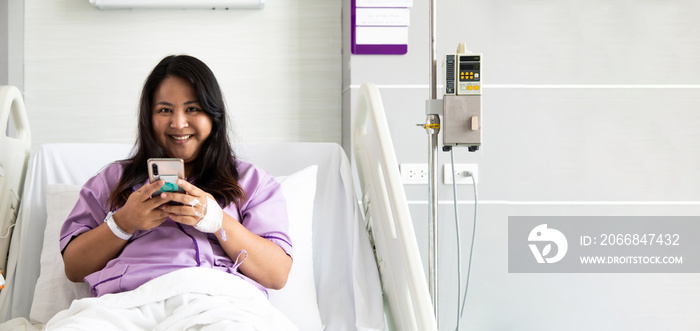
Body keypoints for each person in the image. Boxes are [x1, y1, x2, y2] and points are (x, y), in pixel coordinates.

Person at [59, 55, 293, 298]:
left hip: (217, 302)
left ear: (214, 115)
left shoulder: (251, 182)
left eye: (192, 109)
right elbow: (74, 269)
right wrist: (123, 223)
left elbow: (276, 275)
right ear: (148, 117)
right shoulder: (113, 181)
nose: (179, 123)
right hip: (129, 303)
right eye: (164, 110)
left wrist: (217, 221)